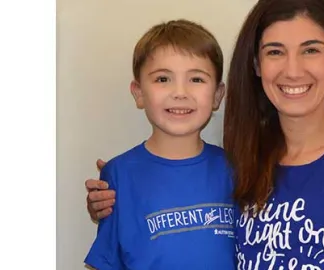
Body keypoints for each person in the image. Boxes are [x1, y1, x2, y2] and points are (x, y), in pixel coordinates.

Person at [85, 0, 324, 269]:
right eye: (275, 51)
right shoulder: (243, 160)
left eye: (311, 49)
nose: (293, 70)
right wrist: (118, 193)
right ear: (256, 65)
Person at [83, 19, 236, 270]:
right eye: (163, 79)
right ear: (139, 92)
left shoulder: (235, 169)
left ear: (218, 95)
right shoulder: (118, 175)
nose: (180, 92)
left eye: (196, 79)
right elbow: (106, 261)